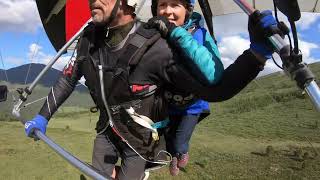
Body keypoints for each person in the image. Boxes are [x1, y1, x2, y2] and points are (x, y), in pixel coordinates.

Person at [23, 0, 280, 179]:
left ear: (127, 1)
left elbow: (215, 90)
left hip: (141, 141)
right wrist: (43, 116)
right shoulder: (89, 39)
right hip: (106, 130)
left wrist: (256, 54)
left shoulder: (155, 47)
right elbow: (68, 78)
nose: (93, 2)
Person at [149, 0, 222, 176]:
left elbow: (215, 73)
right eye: (162, 4)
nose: (167, 11)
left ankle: (182, 152)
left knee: (181, 141)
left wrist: (177, 34)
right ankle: (174, 156)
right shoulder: (152, 36)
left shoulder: (200, 34)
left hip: (192, 105)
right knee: (170, 139)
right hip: (167, 105)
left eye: (175, 4)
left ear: (187, 10)